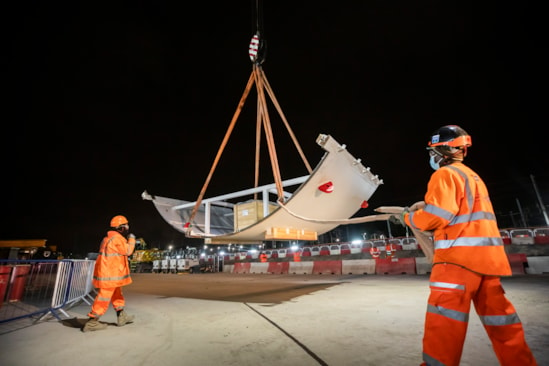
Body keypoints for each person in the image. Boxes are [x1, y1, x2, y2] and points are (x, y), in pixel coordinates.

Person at [397, 125, 537, 365]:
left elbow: (437, 215)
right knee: (503, 325)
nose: (431, 157)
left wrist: (408, 218)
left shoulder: (445, 175)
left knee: (444, 328)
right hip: (487, 264)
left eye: (433, 151)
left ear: (444, 151)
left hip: (456, 264)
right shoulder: (473, 177)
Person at [82, 215, 136, 332]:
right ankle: (92, 322)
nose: (127, 227)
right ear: (120, 228)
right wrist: (132, 239)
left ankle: (121, 316)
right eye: (125, 225)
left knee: (117, 294)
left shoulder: (107, 238)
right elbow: (128, 251)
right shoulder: (116, 239)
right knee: (104, 297)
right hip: (111, 274)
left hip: (110, 273)